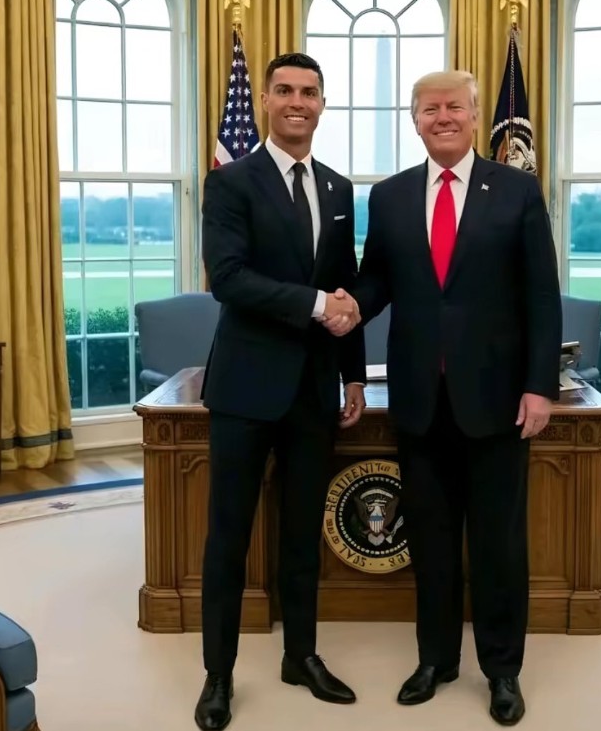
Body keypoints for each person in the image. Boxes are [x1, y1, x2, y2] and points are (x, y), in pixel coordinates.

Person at [327, 70, 562, 725]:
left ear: (473, 112)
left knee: (496, 544)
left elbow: (542, 295)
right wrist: (348, 305)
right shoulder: (393, 195)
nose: (442, 117)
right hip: (418, 400)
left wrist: (538, 384)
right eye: (429, 108)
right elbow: (377, 278)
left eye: (453, 106)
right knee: (428, 540)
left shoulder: (515, 189)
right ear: (415, 119)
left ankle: (501, 669)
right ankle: (435, 659)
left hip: (495, 400)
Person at [196, 52, 366, 731]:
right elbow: (228, 279)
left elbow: (345, 287)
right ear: (265, 100)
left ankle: (301, 656)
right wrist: (315, 302)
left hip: (311, 391)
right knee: (227, 538)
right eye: (286, 91)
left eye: (311, 92)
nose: (298, 102)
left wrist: (351, 372)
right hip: (244, 386)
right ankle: (217, 676)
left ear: (322, 104)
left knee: (302, 534)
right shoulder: (231, 181)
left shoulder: (339, 188)